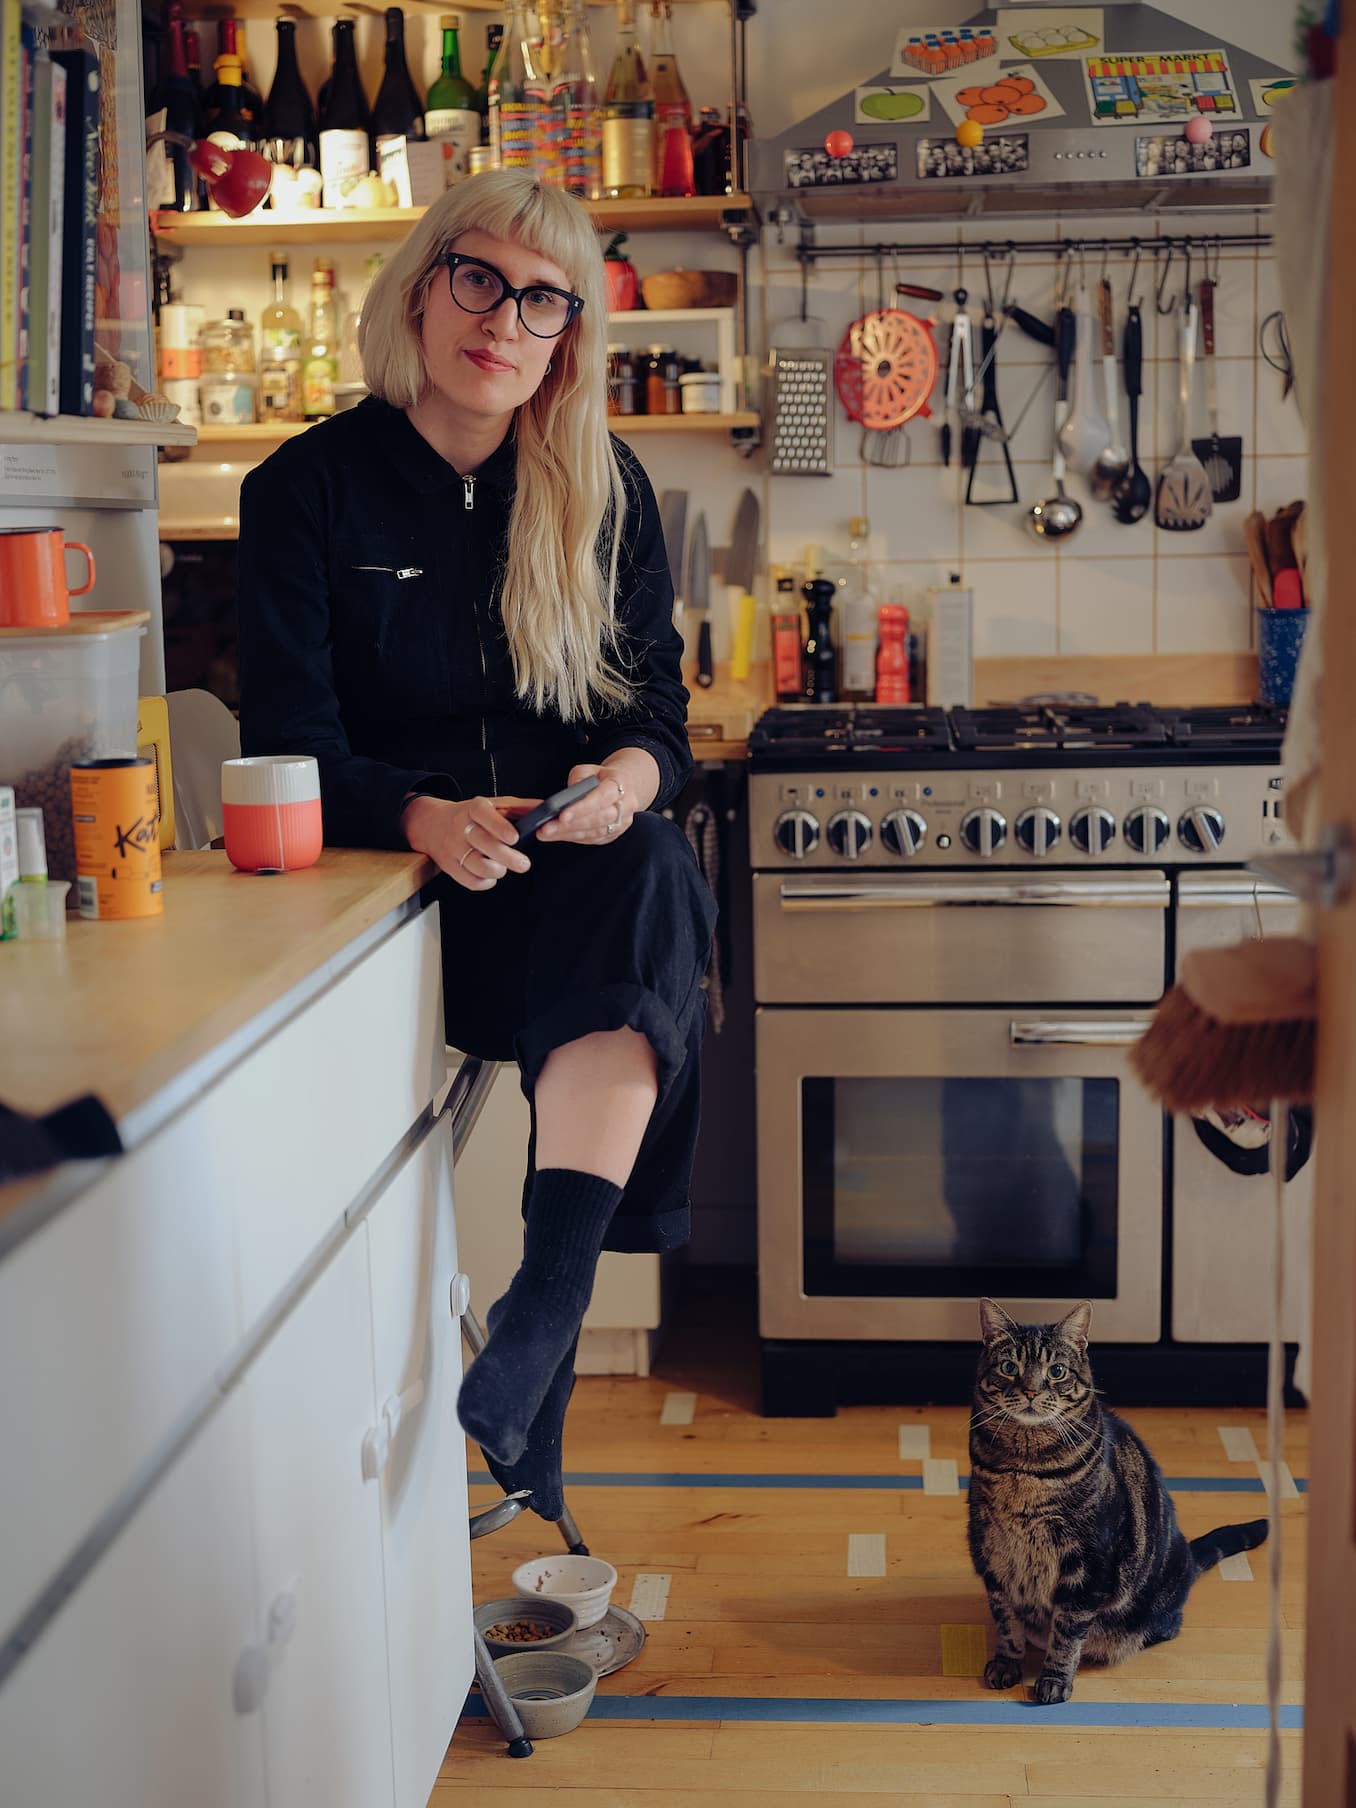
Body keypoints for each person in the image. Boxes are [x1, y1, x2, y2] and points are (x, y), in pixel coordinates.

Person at [236, 170, 715, 1521]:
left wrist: (624, 777)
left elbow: (658, 716)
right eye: (480, 279)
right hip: (393, 919)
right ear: (422, 286)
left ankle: (541, 1308)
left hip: (562, 900)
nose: (505, 320)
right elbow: (286, 740)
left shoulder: (599, 484)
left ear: (571, 333)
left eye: (544, 299)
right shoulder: (305, 493)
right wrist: (418, 815)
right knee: (655, 922)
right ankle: (546, 1348)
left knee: (653, 870)